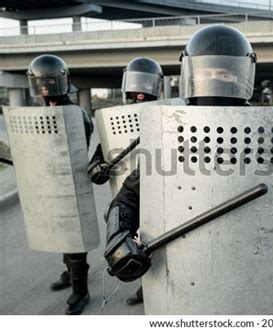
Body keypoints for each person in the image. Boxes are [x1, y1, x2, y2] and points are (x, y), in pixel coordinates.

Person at [103, 24, 257, 287]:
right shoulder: (171, 130)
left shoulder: (263, 131)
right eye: (206, 72)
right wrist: (118, 236)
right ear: (192, 74)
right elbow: (128, 196)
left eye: (224, 74)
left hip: (246, 260)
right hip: (182, 262)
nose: (214, 80)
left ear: (240, 75)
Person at [27, 54, 94, 315]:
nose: (45, 87)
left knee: (74, 236)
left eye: (49, 81)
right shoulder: (42, 113)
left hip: (73, 181)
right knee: (59, 232)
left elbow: (78, 147)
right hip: (49, 182)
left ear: (60, 82)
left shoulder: (76, 113)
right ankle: (69, 273)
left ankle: (81, 290)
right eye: (41, 82)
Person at [87, 57, 163, 186]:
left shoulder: (167, 117)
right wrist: (98, 168)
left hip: (157, 188)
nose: (141, 91)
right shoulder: (117, 122)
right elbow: (96, 171)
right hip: (125, 194)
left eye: (146, 84)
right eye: (135, 84)